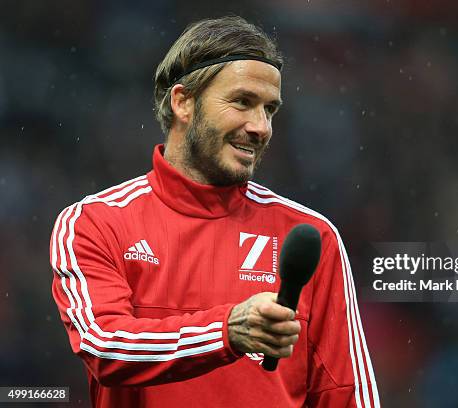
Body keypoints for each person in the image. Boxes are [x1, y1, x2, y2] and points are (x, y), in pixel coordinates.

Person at [49, 16, 379, 408]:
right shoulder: (95, 223)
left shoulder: (310, 234)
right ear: (183, 101)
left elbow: (346, 394)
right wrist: (228, 330)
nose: (261, 127)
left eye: (269, 109)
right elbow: (104, 346)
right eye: (242, 102)